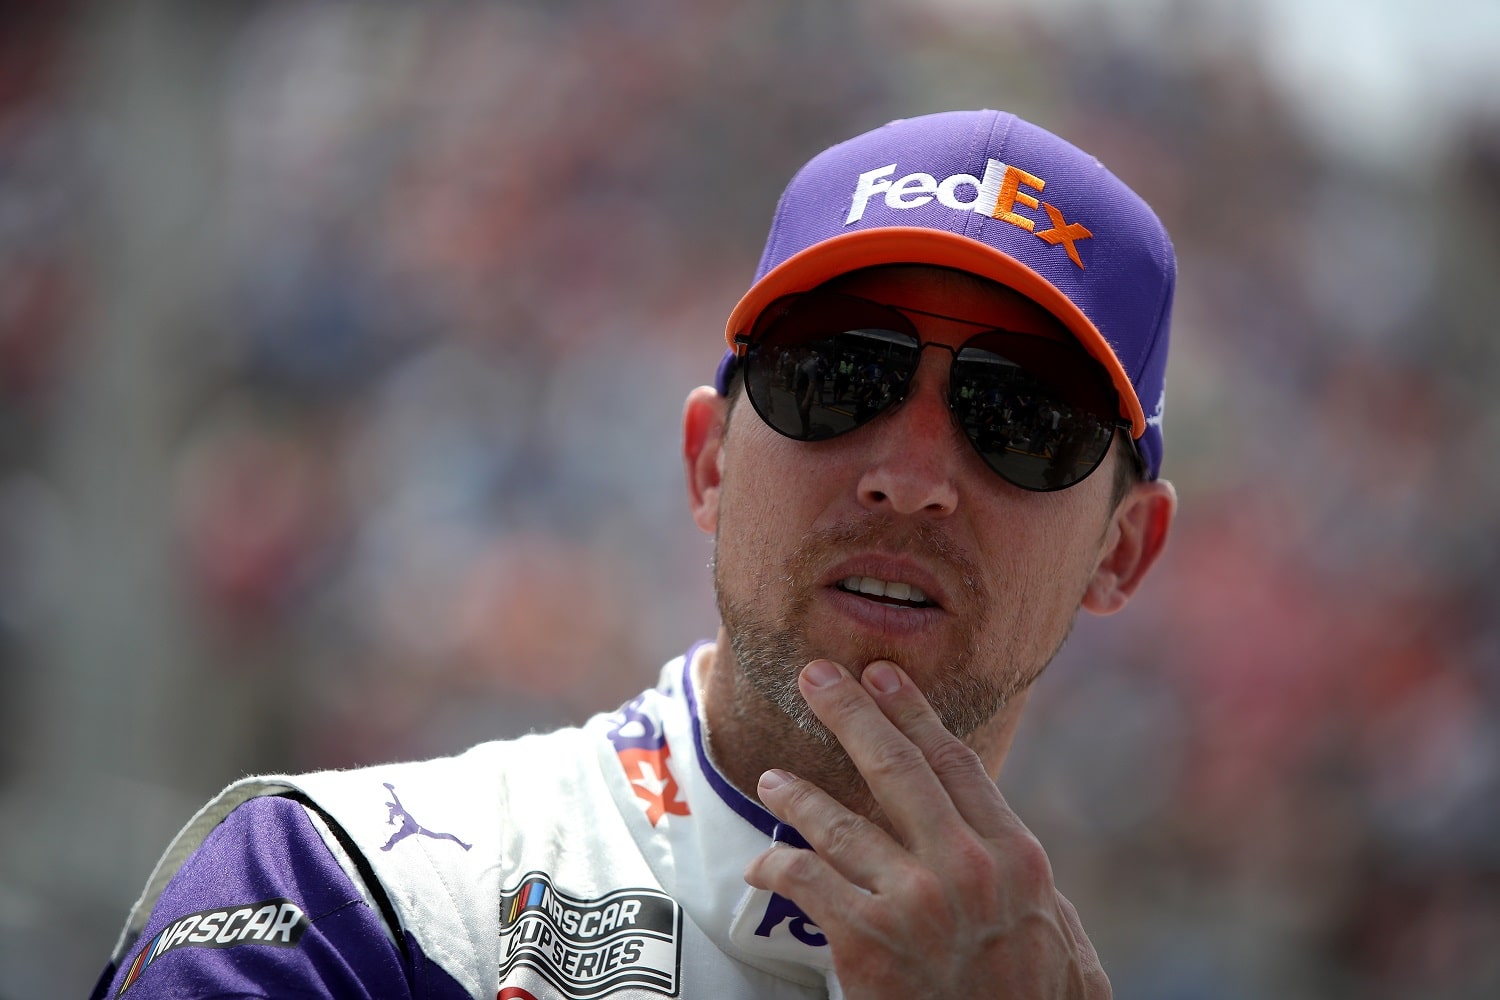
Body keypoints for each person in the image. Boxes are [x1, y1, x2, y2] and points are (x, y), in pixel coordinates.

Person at [92, 108, 1177, 1000]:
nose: (912, 473)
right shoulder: (347, 889)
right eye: (836, 377)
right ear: (708, 462)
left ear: (1122, 552)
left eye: (1022, 417)